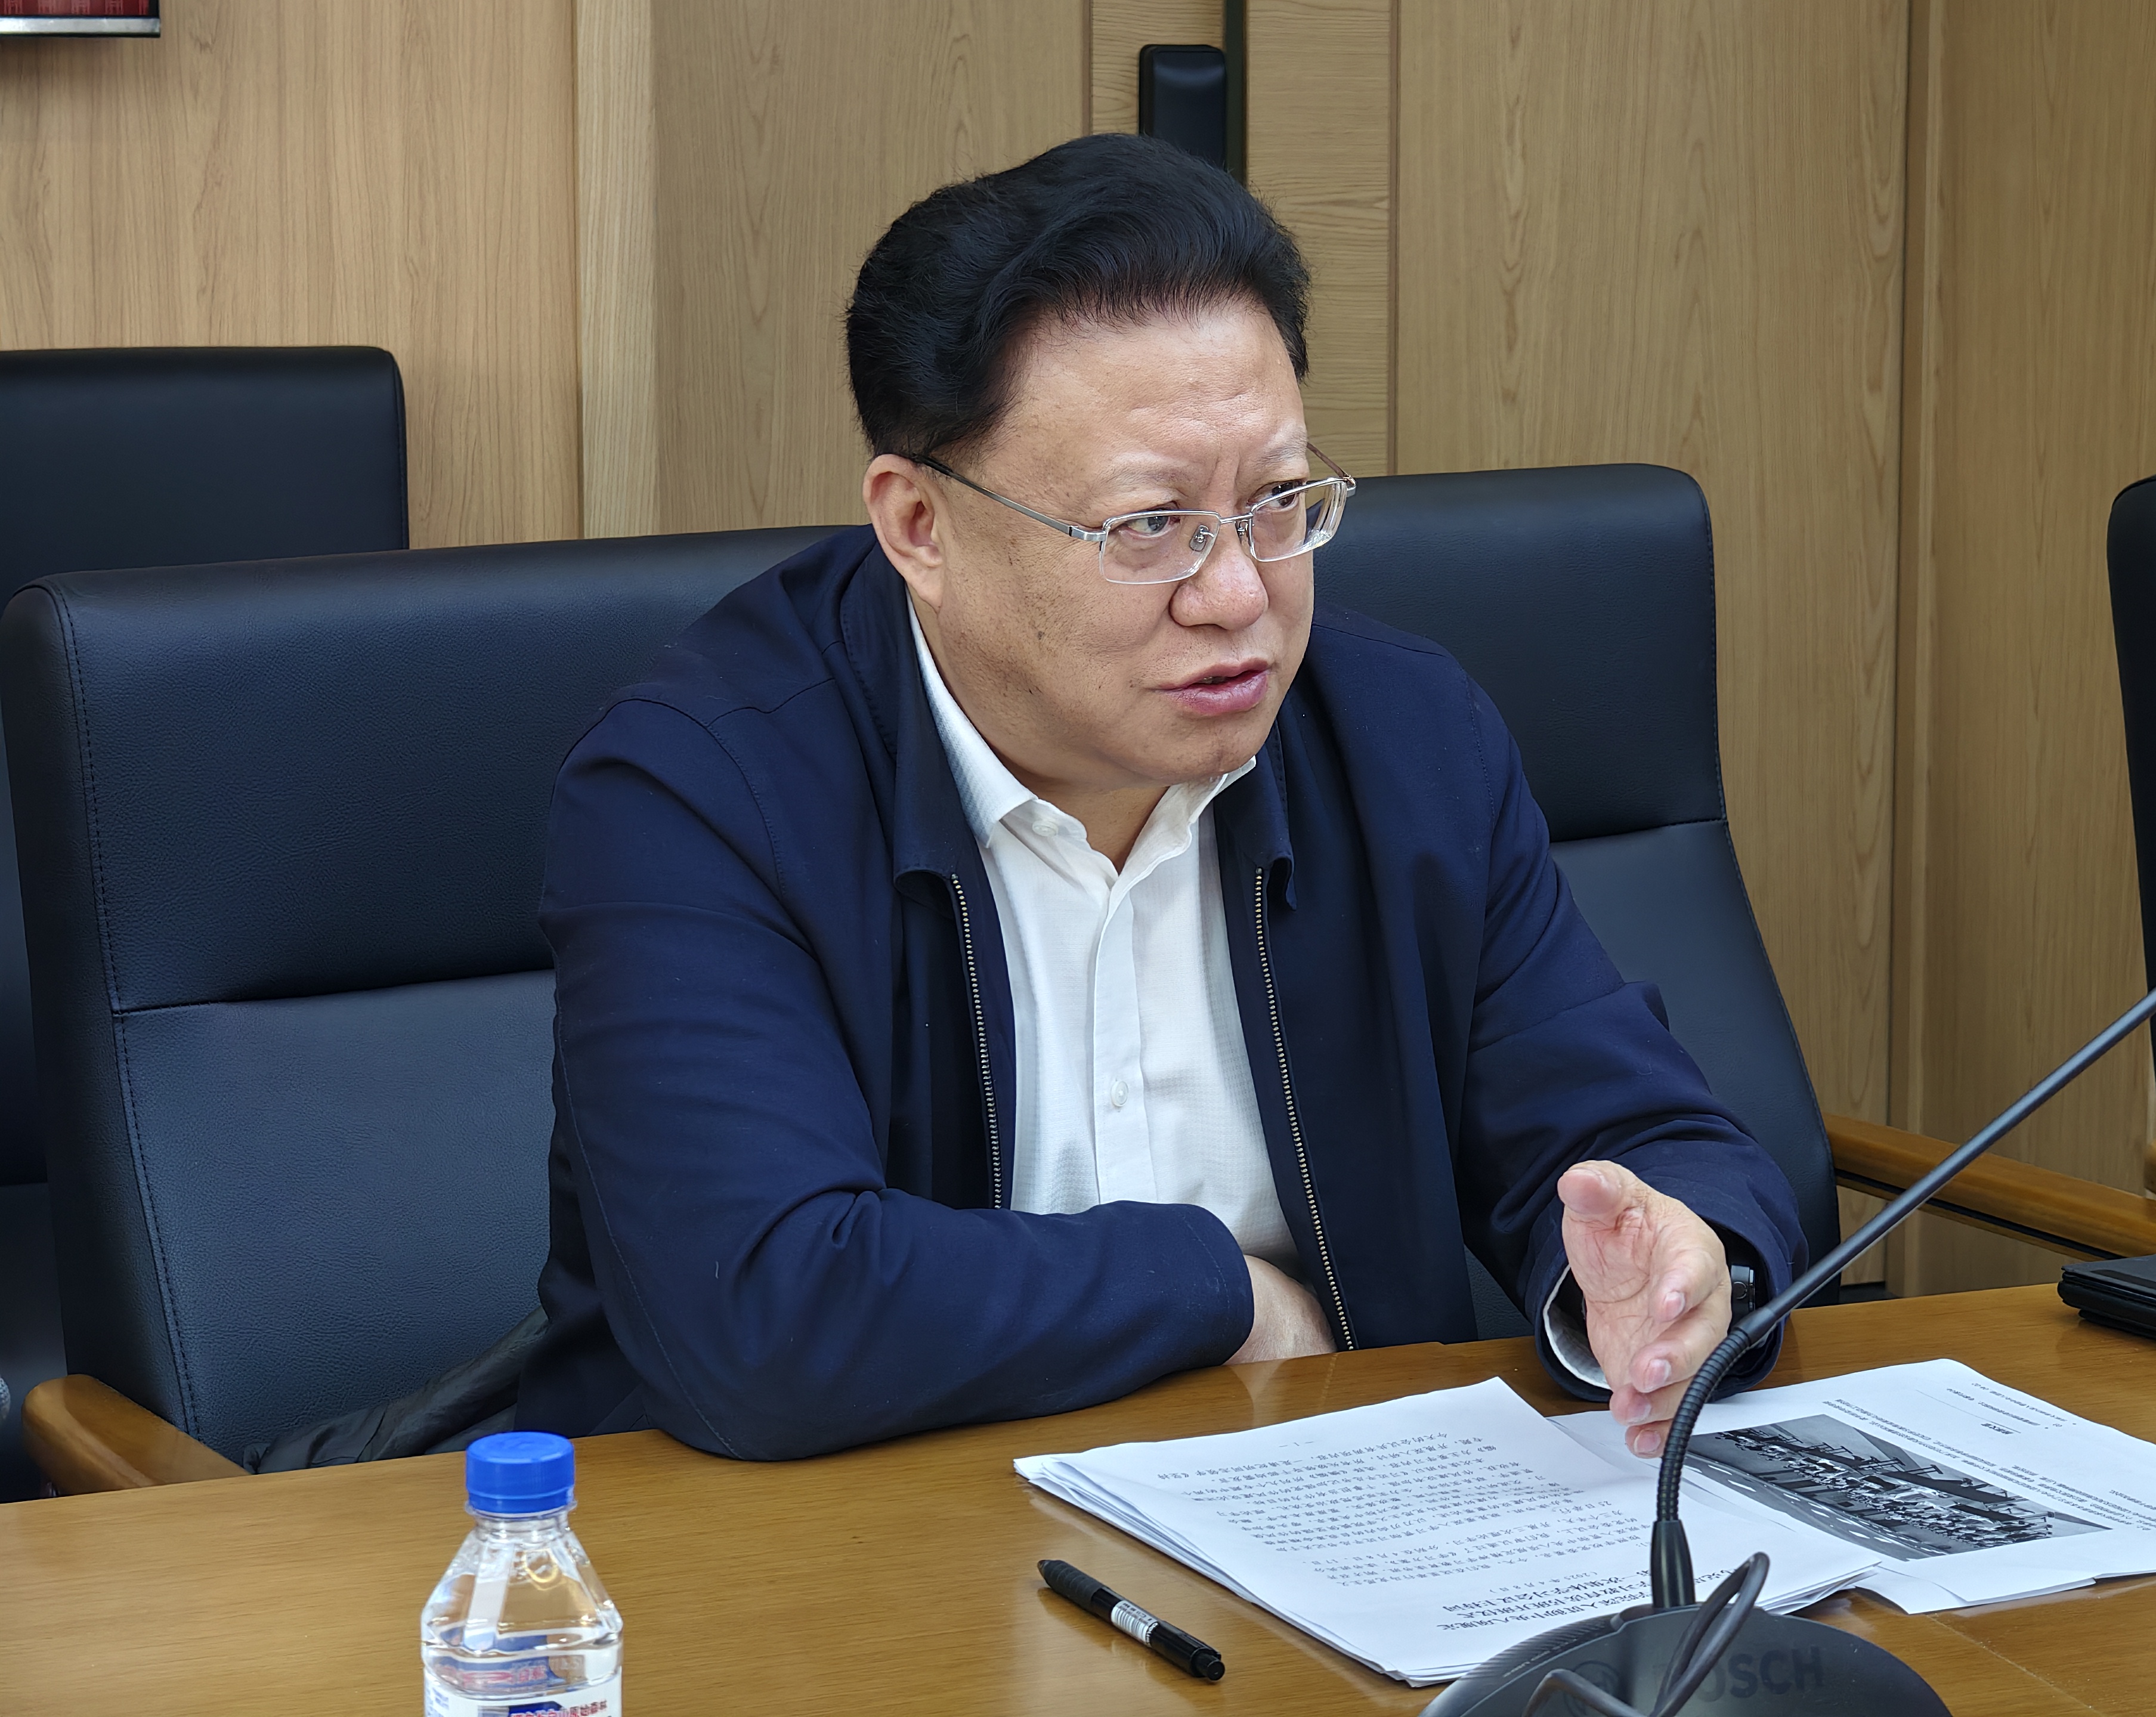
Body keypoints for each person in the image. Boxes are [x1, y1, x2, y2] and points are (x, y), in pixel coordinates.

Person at [518, 133, 1806, 1464]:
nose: (1239, 594)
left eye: (1279, 501)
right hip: (836, 1540)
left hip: (1324, 1517)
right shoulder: (700, 790)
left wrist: (1678, 1258)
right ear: (919, 527)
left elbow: (1641, 1141)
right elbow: (766, 1310)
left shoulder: (1405, 739)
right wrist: (1218, 1293)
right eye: (1150, 527)